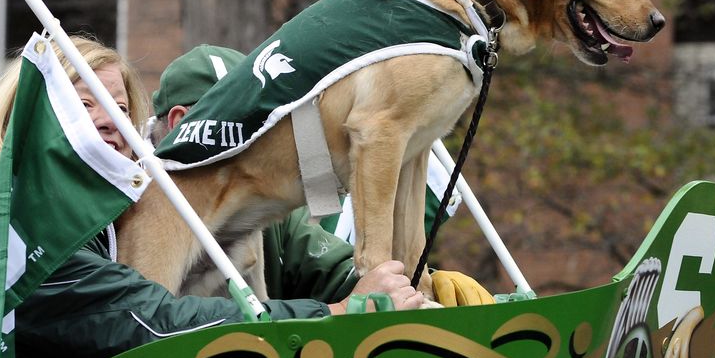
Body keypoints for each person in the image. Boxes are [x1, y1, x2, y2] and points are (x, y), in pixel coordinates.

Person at [0, 35, 424, 358]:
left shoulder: (114, 213)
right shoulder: (18, 231)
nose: (108, 121)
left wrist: (417, 285)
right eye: (84, 104)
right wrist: (335, 313)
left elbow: (324, 266)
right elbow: (152, 324)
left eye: (119, 107)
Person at [148, 44, 495, 308]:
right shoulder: (131, 213)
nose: (261, 138)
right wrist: (337, 312)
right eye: (242, 123)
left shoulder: (268, 210)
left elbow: (333, 269)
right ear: (184, 125)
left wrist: (416, 287)